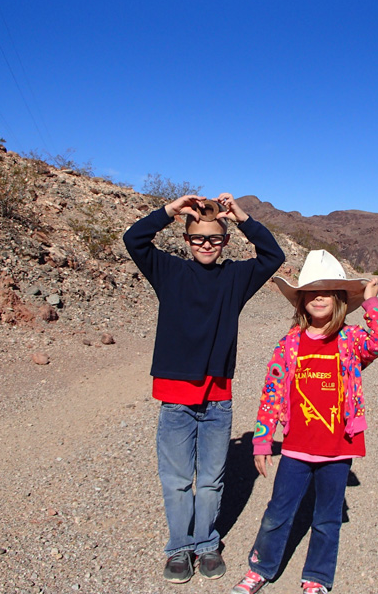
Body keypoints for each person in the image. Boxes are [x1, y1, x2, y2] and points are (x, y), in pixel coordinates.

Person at [122, 192, 285, 584]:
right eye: (198, 239)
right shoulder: (169, 271)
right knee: (177, 480)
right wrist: (171, 211)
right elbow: (134, 240)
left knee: (211, 480)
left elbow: (272, 257)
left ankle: (206, 543)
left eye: (214, 238)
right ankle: (179, 549)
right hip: (176, 399)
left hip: (217, 399)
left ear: (225, 241)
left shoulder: (235, 277)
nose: (207, 245)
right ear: (187, 241)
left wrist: (242, 217)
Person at [231, 250, 378, 594]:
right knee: (277, 513)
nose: (319, 297)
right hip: (295, 448)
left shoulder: (351, 340)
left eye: (328, 291)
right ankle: (261, 568)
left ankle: (317, 578)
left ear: (339, 300)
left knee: (326, 519)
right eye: (311, 291)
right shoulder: (288, 344)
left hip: (339, 448)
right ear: (302, 300)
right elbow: (272, 394)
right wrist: (262, 440)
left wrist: (371, 303)